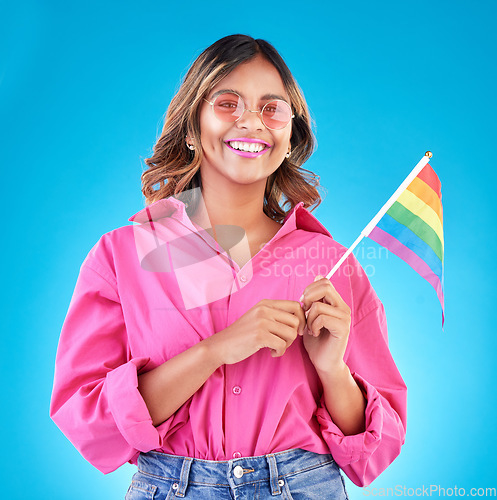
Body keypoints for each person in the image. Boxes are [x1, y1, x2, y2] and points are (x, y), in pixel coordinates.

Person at [50, 34, 407, 499]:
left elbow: (373, 452)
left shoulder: (330, 263)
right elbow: (87, 417)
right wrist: (214, 351)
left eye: (272, 108)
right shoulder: (123, 256)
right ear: (193, 126)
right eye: (228, 103)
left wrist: (332, 369)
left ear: (289, 134)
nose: (252, 122)